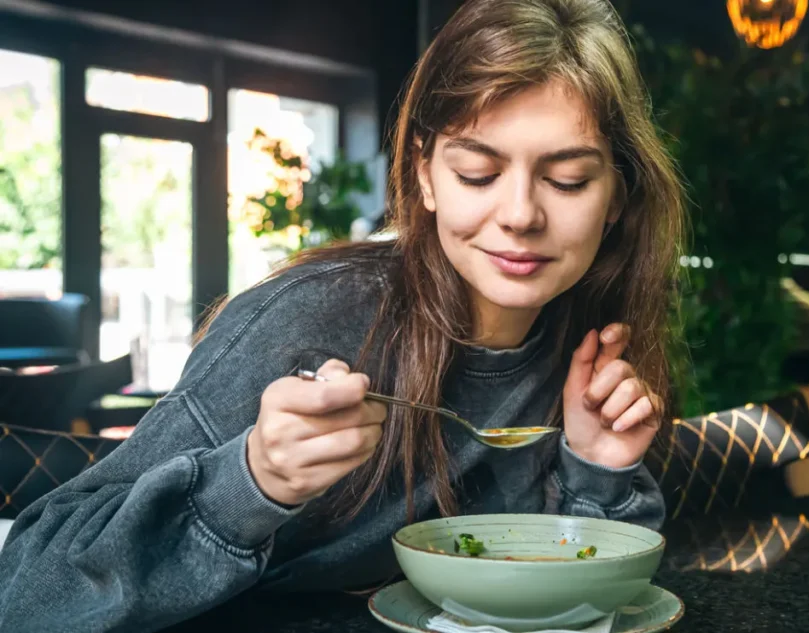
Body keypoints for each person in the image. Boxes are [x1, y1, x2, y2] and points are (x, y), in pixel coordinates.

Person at [0, 0, 684, 630]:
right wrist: (254, 479)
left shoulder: (584, 349)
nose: (520, 214)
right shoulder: (307, 322)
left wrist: (595, 469)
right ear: (424, 175)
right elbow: (27, 590)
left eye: (567, 180)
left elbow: (573, 603)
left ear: (617, 196)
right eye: (477, 172)